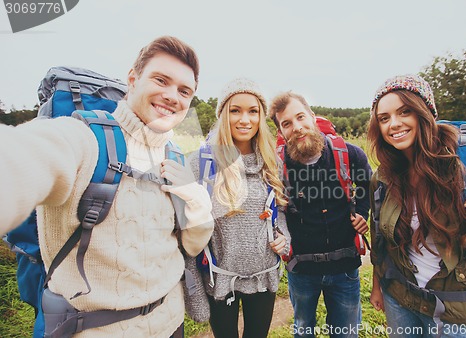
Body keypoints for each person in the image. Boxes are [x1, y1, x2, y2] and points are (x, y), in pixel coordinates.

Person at [0, 36, 214, 337]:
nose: (172, 96)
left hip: (170, 324)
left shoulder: (175, 156)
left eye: (184, 90)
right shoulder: (85, 138)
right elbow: (27, 157)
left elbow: (191, 244)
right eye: (161, 80)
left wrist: (196, 199)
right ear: (132, 79)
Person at [368, 74, 466, 338]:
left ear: (425, 112)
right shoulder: (383, 176)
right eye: (384, 118)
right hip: (400, 298)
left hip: (461, 312)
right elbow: (380, 238)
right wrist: (376, 286)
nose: (394, 124)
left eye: (404, 111)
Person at [183, 78, 290, 338]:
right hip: (219, 280)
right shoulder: (200, 163)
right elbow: (186, 232)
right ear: (223, 115)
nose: (245, 120)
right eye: (235, 110)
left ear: (261, 116)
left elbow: (279, 212)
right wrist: (193, 292)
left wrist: (283, 238)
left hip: (264, 278)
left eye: (253, 111)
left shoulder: (271, 162)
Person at [268, 92, 372, 338]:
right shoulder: (276, 165)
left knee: (346, 333)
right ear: (281, 132)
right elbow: (274, 208)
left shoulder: (350, 154)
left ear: (312, 117)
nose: (297, 127)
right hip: (301, 271)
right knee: (304, 330)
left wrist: (363, 213)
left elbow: (368, 185)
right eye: (287, 123)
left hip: (345, 267)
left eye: (300, 117)